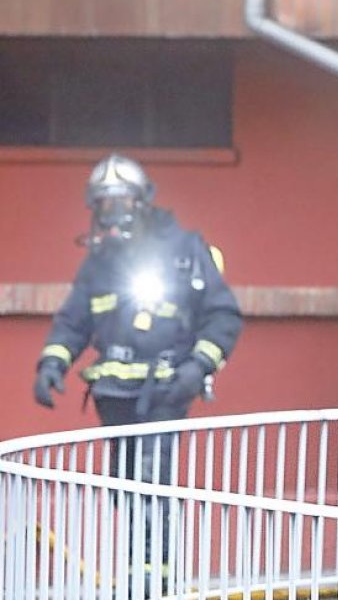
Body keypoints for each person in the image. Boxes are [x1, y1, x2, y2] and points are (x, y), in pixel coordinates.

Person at [34, 153, 243, 592]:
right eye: (105, 204)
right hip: (115, 394)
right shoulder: (99, 263)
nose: (114, 213)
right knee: (126, 486)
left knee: (153, 479)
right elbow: (73, 320)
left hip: (166, 389)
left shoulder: (184, 249)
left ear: (143, 201)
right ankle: (138, 575)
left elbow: (223, 317)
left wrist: (198, 367)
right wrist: (52, 362)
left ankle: (156, 582)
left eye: (122, 201)